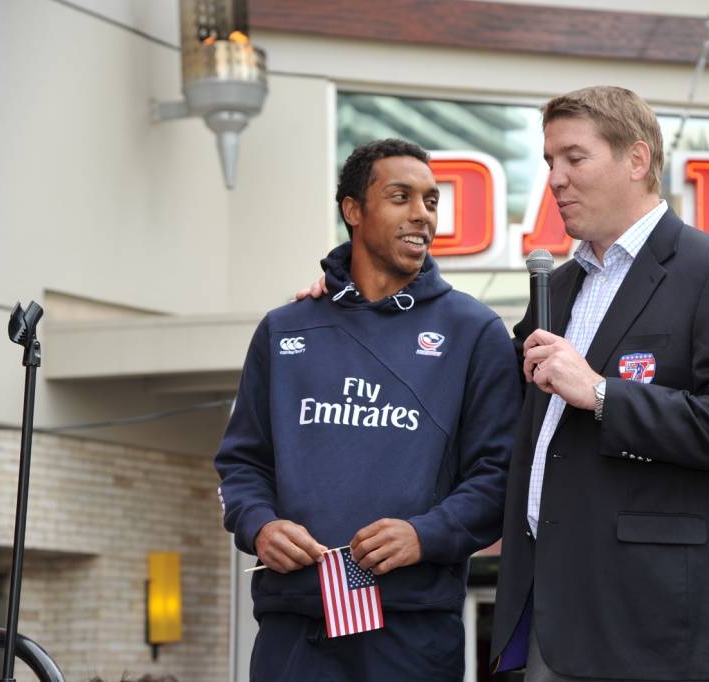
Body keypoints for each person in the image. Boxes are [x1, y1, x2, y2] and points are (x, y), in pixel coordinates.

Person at [488, 85, 709, 682]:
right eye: (550, 162)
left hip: (658, 627)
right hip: (553, 608)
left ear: (637, 159)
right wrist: (346, 299)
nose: (556, 179)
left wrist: (601, 394)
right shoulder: (559, 285)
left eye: (575, 158)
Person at [215, 138, 521, 681]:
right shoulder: (285, 328)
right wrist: (259, 526)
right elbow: (243, 464)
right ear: (353, 210)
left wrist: (425, 533)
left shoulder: (474, 332)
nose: (421, 216)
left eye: (431, 201)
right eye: (400, 197)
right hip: (294, 626)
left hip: (412, 631)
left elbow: (498, 477)